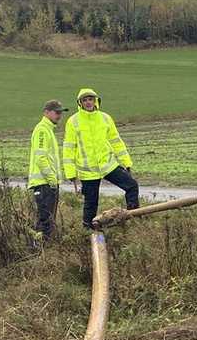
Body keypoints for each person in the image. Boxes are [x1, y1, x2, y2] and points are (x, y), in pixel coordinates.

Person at [63, 87, 139, 229]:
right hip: (88, 171)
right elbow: (69, 148)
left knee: (132, 186)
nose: (88, 102)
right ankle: (88, 232)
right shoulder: (73, 121)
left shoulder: (105, 118)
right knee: (91, 203)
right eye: (84, 100)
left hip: (107, 165)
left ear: (96, 101)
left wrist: (126, 162)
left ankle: (133, 219)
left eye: (90, 99)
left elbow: (116, 141)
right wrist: (70, 173)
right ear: (80, 103)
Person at [28, 99, 66, 239]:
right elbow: (41, 157)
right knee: (46, 221)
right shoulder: (42, 130)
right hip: (44, 184)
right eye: (56, 112)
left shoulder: (48, 130)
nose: (59, 116)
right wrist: (51, 179)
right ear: (46, 112)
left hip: (47, 183)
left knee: (47, 220)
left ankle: (42, 245)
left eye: (60, 113)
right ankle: (41, 246)